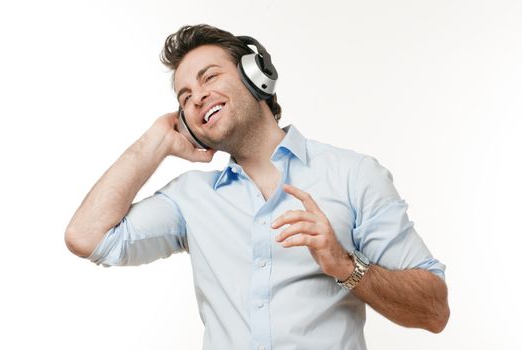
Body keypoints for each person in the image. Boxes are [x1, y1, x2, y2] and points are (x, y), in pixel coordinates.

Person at [65, 24, 449, 350]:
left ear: (256, 74)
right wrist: (156, 142)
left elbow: (433, 310)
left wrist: (344, 264)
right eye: (184, 97)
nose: (196, 97)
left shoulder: (353, 175)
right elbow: (87, 237)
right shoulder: (189, 198)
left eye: (210, 77)